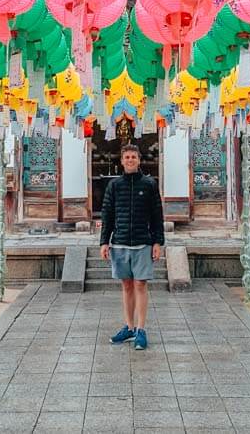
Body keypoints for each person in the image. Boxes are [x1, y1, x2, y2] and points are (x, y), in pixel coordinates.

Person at [99, 143, 165, 351]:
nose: (130, 160)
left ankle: (141, 329)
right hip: (119, 242)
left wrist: (157, 242)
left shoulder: (149, 184)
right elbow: (107, 214)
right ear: (121, 161)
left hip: (142, 242)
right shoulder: (114, 186)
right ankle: (128, 326)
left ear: (138, 160)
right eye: (126, 157)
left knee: (140, 285)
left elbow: (157, 215)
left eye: (133, 157)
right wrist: (104, 242)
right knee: (126, 285)